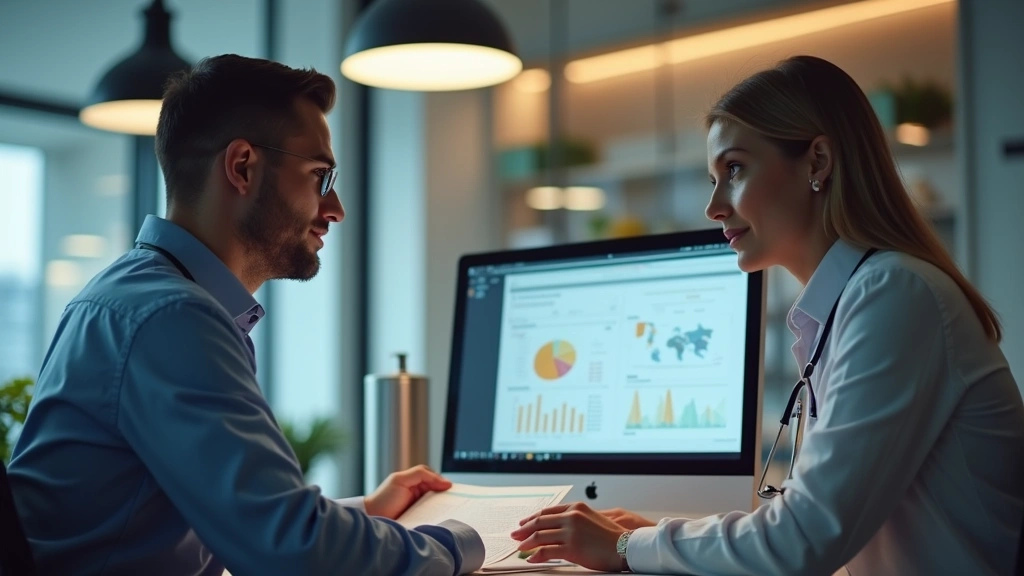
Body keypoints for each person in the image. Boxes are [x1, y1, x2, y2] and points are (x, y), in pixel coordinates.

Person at [511, 55, 1024, 575]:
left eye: (733, 169)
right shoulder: (851, 303)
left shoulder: (896, 293)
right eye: (714, 177)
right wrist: (655, 539)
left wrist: (629, 549)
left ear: (818, 162)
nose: (713, 206)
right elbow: (803, 529)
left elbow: (801, 542)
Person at [7, 54, 484, 576]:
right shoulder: (171, 316)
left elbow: (229, 529)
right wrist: (460, 543)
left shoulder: (135, 295)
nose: (336, 208)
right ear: (242, 167)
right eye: (320, 176)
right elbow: (289, 551)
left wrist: (366, 512)